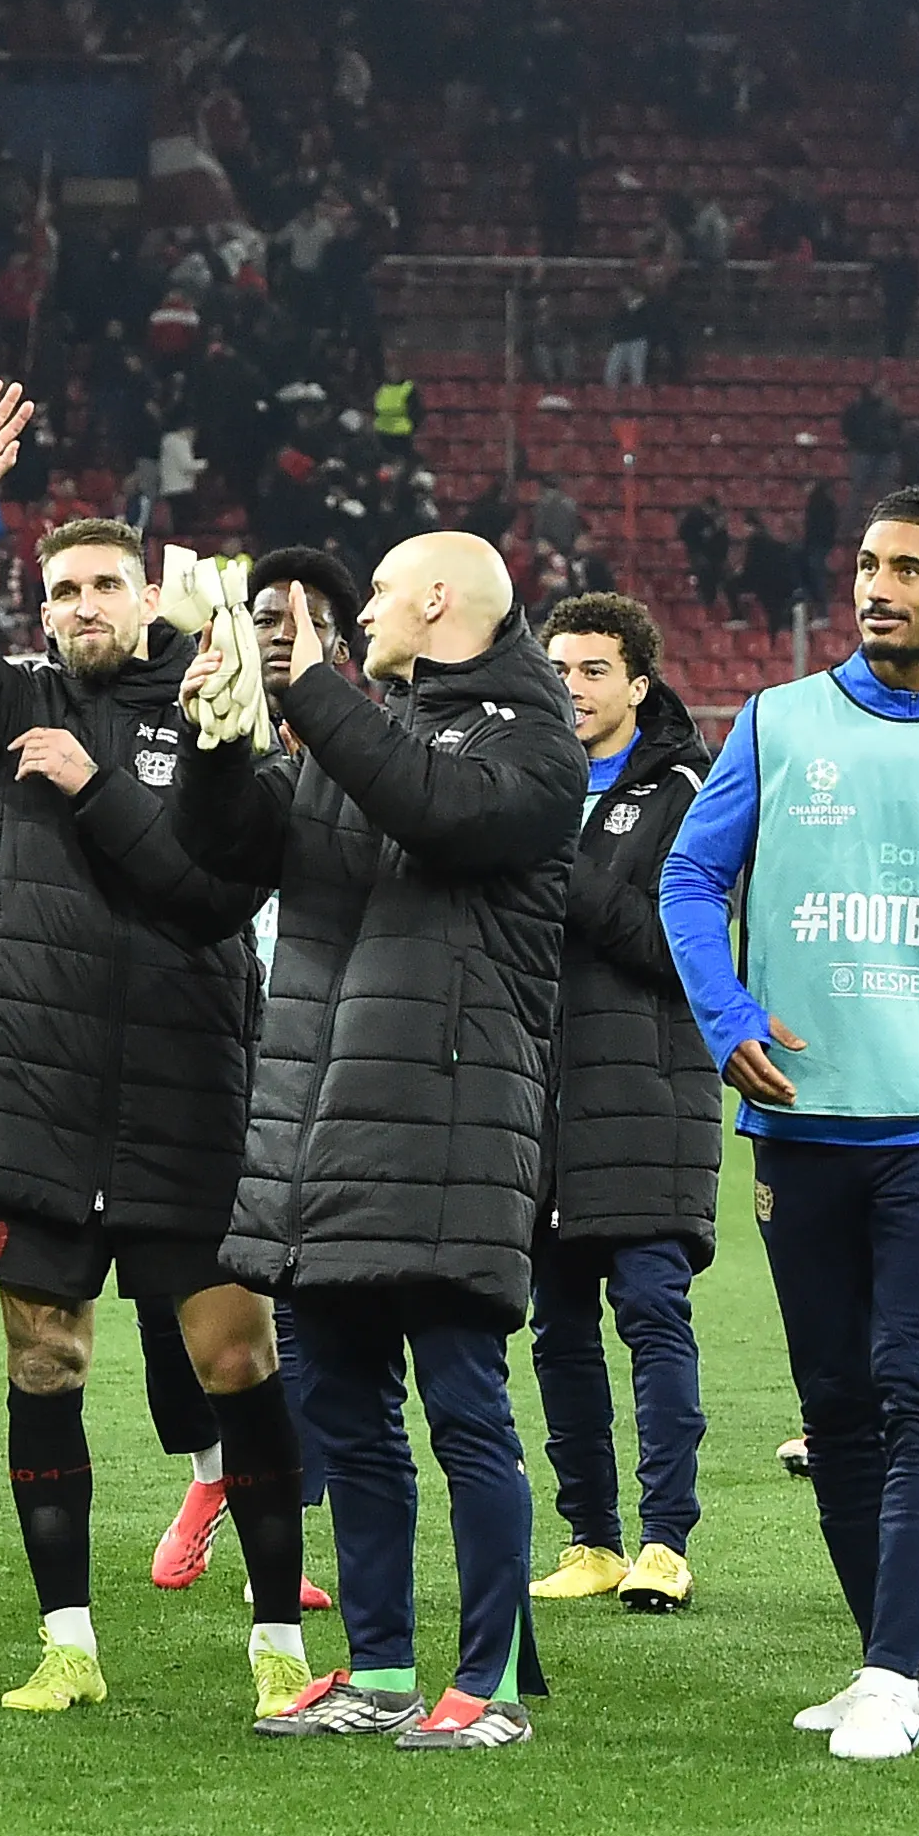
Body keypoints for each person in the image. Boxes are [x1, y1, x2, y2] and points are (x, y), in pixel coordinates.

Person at [0, 382, 308, 1723]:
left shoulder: (210, 710)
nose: (80, 604)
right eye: (61, 586)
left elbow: (208, 892)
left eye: (105, 584)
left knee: (235, 1358)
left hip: (191, 1094)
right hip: (37, 1100)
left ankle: (277, 1649)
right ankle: (67, 1641)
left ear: (147, 597)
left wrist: (98, 780)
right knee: (43, 1362)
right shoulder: (3, 705)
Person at [658, 485, 919, 1761]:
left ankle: (890, 1671)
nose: (876, 585)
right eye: (865, 563)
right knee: (833, 1403)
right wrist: (726, 1016)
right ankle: (898, 1658)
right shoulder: (780, 723)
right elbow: (686, 874)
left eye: (907, 567)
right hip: (799, 1118)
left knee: (917, 1388)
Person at [176, 531, 585, 1751]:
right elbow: (235, 852)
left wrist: (310, 686)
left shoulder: (529, 733)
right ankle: (384, 1666)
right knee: (347, 1413)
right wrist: (211, 740)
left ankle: (493, 1683)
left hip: (453, 1128)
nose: (366, 621)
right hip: (326, 1123)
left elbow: (431, 805)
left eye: (387, 596)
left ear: (440, 600)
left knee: (464, 1410)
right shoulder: (369, 727)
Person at [521, 592, 717, 1615]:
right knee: (554, 1326)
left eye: (594, 669)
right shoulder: (524, 781)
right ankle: (590, 1536)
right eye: (557, 667)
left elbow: (676, 947)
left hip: (646, 1091)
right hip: (537, 1096)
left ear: (639, 681)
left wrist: (564, 868)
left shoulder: (686, 789)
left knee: (649, 1309)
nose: (573, 687)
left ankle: (664, 1539)